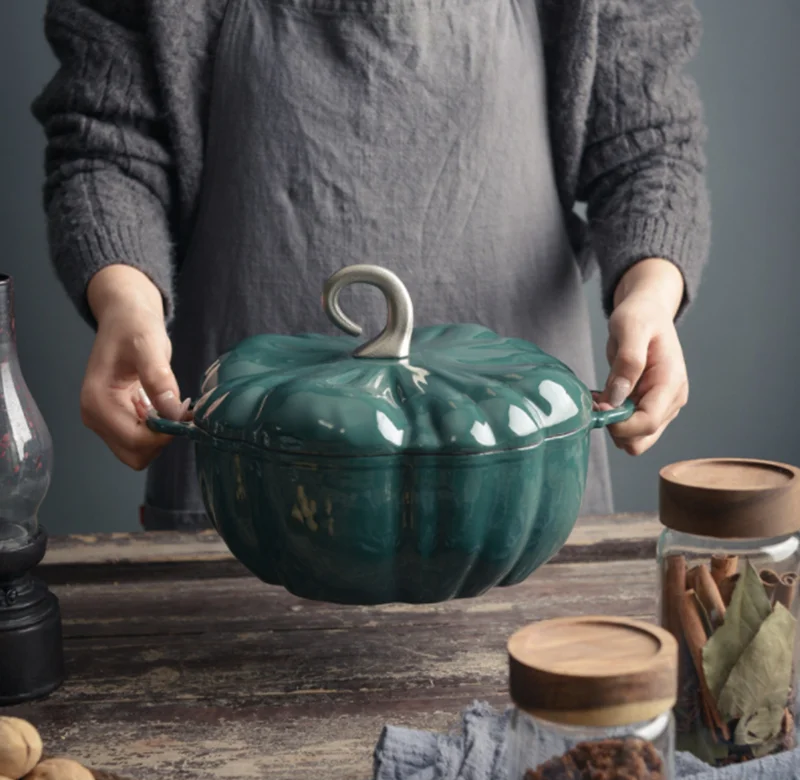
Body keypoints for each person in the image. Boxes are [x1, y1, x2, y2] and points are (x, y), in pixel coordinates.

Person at [32, 0, 709, 531]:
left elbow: (648, 144)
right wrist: (125, 297)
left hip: (520, 478)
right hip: (249, 479)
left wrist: (649, 294)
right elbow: (104, 139)